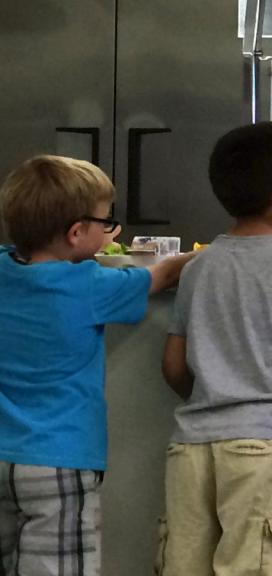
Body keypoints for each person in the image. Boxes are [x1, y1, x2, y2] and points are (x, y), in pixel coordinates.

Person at [157, 122, 272, 576]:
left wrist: (215, 396)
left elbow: (174, 364)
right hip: (266, 445)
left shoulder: (198, 266)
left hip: (192, 448)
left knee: (184, 565)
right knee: (259, 566)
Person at [0, 155, 191, 576]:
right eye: (106, 223)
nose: (110, 230)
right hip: (59, 461)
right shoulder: (89, 286)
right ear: (75, 232)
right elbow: (161, 276)